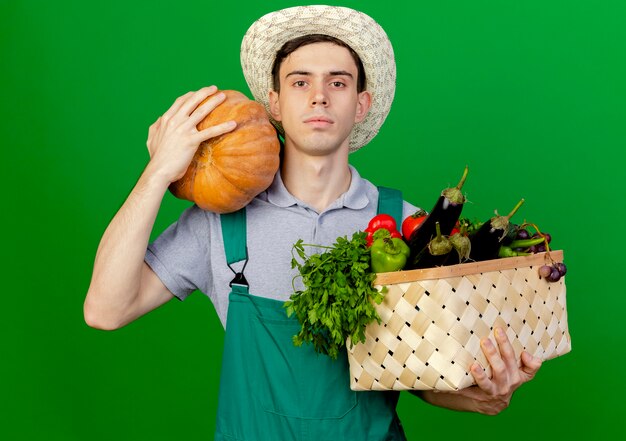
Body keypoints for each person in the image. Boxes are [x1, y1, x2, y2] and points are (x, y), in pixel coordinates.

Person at [84, 5, 543, 440]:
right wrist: (159, 171)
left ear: (361, 105)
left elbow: (422, 376)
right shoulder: (219, 222)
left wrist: (486, 392)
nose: (319, 95)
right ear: (275, 104)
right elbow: (105, 310)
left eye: (337, 83)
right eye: (300, 82)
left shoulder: (409, 229)